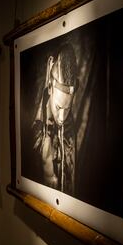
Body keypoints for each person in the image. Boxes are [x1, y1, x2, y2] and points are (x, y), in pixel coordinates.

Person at [32, 43, 77, 194]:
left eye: (68, 108)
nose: (62, 118)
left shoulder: (70, 125)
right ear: (50, 87)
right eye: (58, 108)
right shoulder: (37, 117)